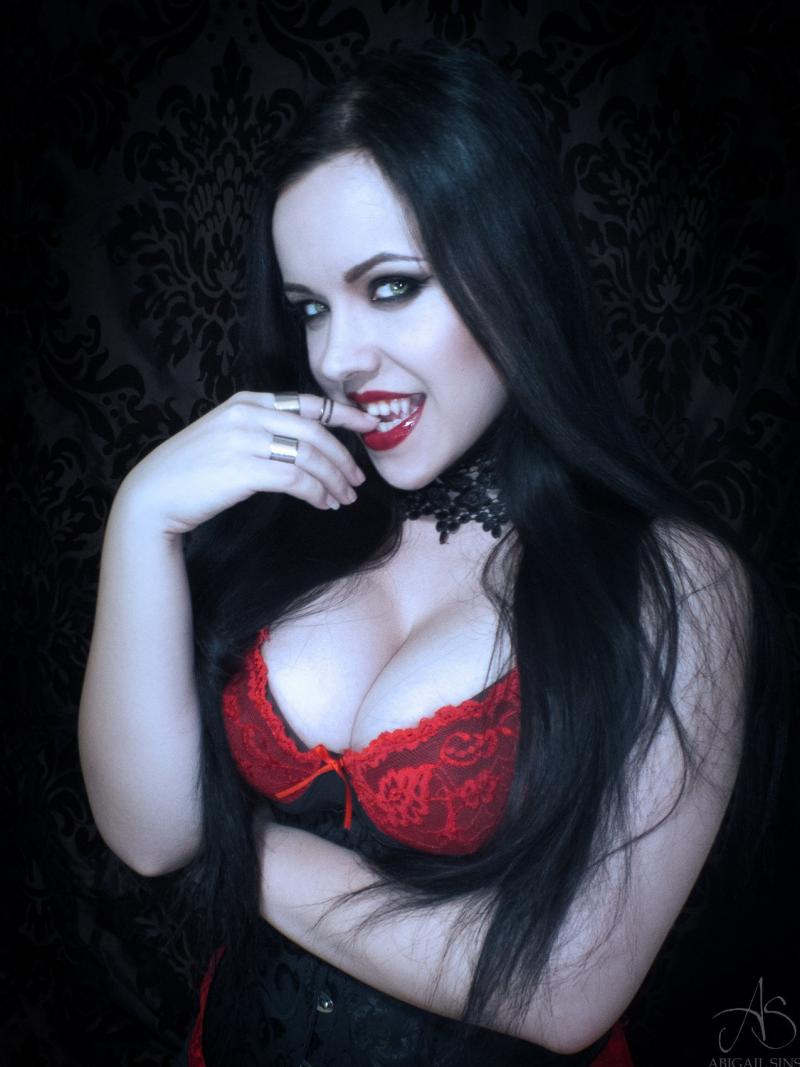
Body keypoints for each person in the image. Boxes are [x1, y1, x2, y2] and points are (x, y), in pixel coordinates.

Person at [78, 44, 782, 1067]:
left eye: (392, 286)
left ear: (514, 272)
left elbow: (562, 990)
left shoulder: (675, 580)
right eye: (311, 307)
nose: (337, 358)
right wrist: (139, 516)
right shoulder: (289, 516)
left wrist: (237, 843)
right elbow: (149, 834)